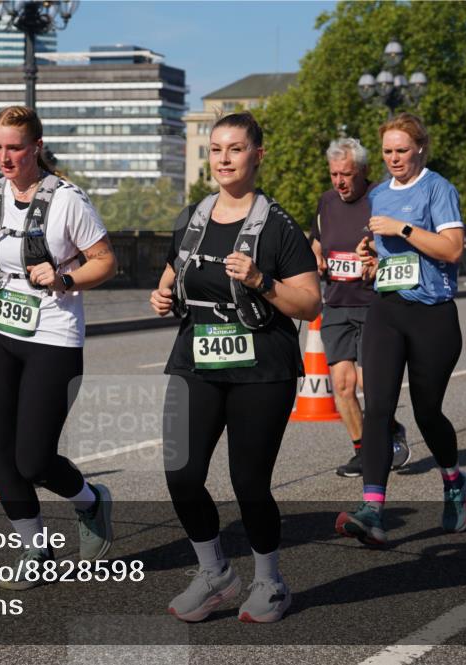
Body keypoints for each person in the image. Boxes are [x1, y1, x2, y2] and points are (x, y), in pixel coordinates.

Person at [149, 112, 321, 622]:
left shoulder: (279, 226)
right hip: (196, 358)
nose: (223, 159)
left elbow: (310, 304)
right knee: (180, 474)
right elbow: (172, 273)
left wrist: (261, 281)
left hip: (262, 366)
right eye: (216, 149)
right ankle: (215, 573)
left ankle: (270, 582)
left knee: (248, 483)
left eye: (236, 149)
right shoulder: (192, 218)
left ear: (257, 155)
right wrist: (162, 295)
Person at [0, 105, 118, 589]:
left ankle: (90, 502)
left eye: (14, 148)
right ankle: (35, 548)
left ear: (36, 147)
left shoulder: (68, 200)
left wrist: (64, 278)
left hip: (54, 336)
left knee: (33, 460)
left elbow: (105, 261)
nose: (5, 157)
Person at [335, 113, 466, 546]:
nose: (394, 158)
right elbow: (388, 257)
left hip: (432, 314)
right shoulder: (378, 194)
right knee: (378, 409)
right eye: (388, 151)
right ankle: (372, 510)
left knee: (428, 412)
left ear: (420, 149)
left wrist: (403, 228)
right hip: (387, 309)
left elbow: (452, 249)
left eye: (402, 150)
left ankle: (454, 481)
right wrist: (372, 257)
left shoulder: (437, 188)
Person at [311, 138, 410, 479]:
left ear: (364, 171)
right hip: (337, 303)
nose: (339, 182)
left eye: (347, 174)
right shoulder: (326, 202)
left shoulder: (383, 198)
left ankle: (390, 428)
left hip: (374, 304)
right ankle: (363, 451)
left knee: (371, 385)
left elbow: (405, 249)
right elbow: (317, 241)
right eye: (334, 174)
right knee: (341, 384)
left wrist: (378, 259)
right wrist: (316, 256)